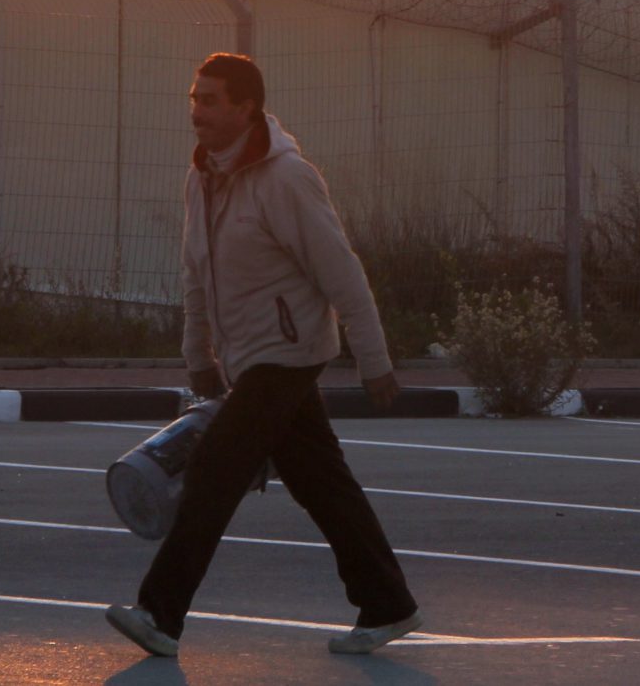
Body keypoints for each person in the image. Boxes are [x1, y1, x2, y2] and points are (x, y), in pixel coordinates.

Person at [104, 52, 422, 659]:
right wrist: (197, 351)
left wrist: (373, 359)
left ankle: (159, 614)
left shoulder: (287, 179)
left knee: (215, 472)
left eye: (211, 100)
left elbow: (342, 274)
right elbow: (196, 270)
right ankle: (388, 603)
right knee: (323, 485)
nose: (197, 111)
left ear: (246, 107)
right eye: (193, 98)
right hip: (246, 359)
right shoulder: (202, 176)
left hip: (289, 353)